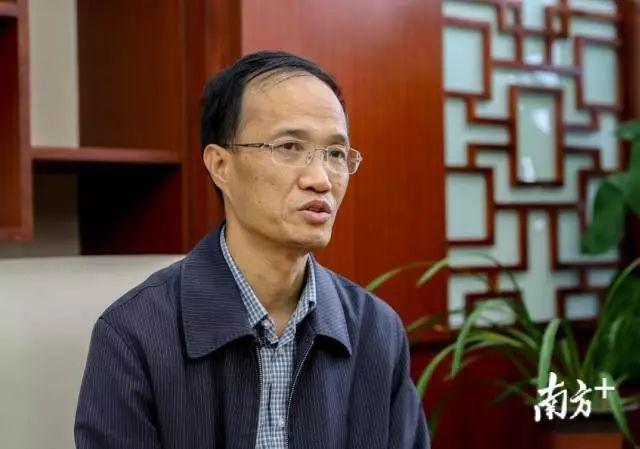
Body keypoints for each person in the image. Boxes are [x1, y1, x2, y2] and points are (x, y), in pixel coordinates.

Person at [74, 50, 430, 449]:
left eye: (334, 154)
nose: (321, 179)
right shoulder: (134, 334)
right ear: (220, 166)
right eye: (289, 147)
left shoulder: (377, 331)